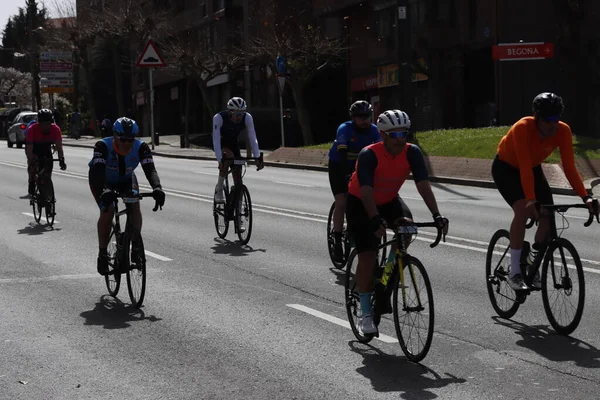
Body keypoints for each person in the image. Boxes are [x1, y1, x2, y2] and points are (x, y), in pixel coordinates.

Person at [346, 109, 449, 335]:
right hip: (361, 202)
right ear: (383, 135)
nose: (400, 140)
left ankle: (388, 272)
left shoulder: (412, 153)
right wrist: (374, 219)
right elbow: (365, 191)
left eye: (404, 135)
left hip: (390, 199)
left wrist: (437, 215)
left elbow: (423, 186)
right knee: (368, 254)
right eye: (395, 135)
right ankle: (365, 314)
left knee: (407, 228)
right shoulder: (369, 154)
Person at [492, 92, 599, 291]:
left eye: (556, 119)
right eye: (548, 120)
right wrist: (531, 200)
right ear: (537, 118)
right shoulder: (523, 128)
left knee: (548, 214)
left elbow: (569, 167)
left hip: (532, 168)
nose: (553, 125)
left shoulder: (563, 131)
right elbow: (523, 167)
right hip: (506, 168)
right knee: (522, 210)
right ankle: (514, 271)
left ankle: (533, 260)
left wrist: (586, 197)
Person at [88, 117, 166, 275]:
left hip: (126, 179)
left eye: (130, 140)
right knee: (107, 210)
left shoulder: (141, 147)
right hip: (103, 180)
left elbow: (150, 169)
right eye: (123, 140)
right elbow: (97, 172)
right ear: (115, 136)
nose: (127, 144)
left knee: (135, 205)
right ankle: (102, 253)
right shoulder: (102, 146)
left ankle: (135, 246)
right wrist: (104, 190)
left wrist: (157, 188)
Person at [328, 100, 381, 262]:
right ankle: (337, 239)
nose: (365, 120)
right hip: (339, 165)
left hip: (361, 167)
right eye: (360, 117)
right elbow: (343, 155)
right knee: (341, 201)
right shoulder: (345, 129)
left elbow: (380, 154)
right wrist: (347, 174)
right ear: (353, 117)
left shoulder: (374, 131)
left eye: (367, 116)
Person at [212, 96, 264, 205]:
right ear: (230, 112)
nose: (239, 117)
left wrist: (257, 157)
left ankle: (238, 205)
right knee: (228, 158)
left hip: (233, 143)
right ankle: (219, 188)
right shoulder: (219, 118)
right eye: (236, 114)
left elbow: (252, 137)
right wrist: (219, 160)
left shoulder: (247, 117)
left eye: (241, 114)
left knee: (238, 174)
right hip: (221, 143)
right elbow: (216, 140)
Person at [25, 109, 66, 197]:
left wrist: (61, 160)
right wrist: (31, 161)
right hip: (34, 147)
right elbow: (29, 150)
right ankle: (31, 181)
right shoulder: (32, 129)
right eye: (42, 123)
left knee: (48, 169)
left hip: (46, 147)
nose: (45, 126)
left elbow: (59, 147)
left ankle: (47, 193)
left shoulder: (55, 129)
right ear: (38, 122)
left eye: (47, 123)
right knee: (33, 165)